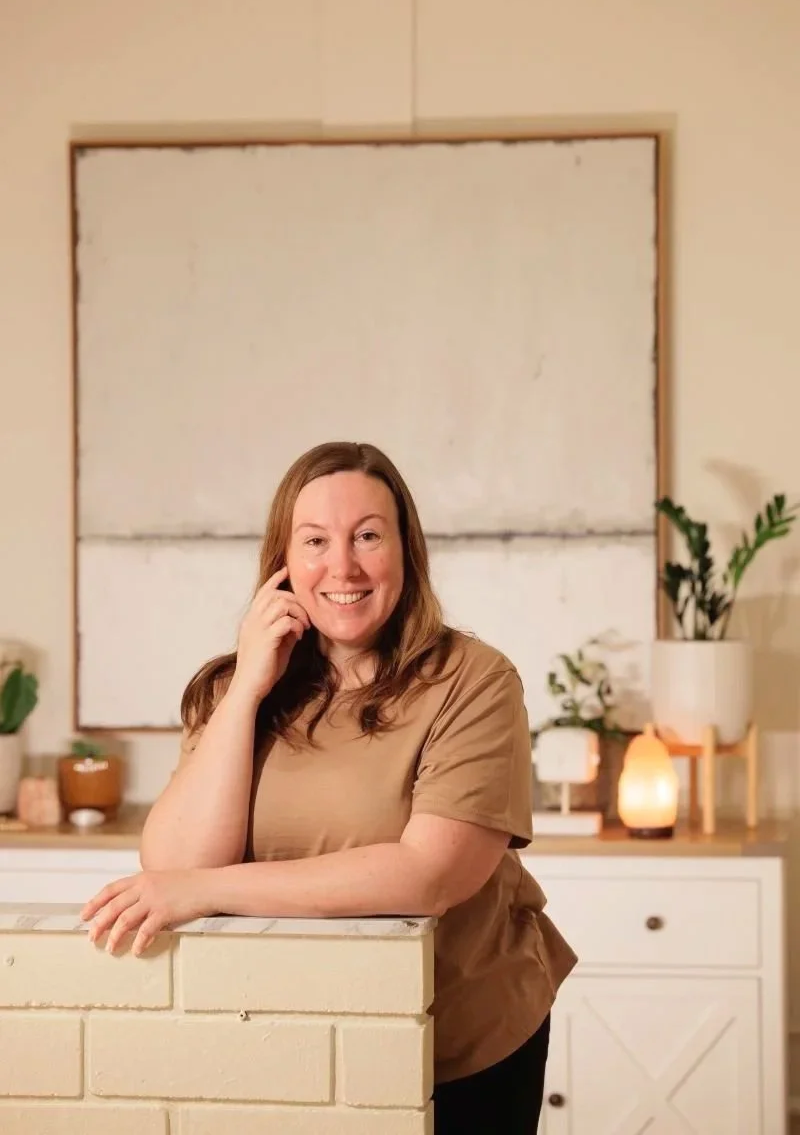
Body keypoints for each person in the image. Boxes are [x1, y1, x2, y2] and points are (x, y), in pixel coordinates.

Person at [81, 441, 577, 1133]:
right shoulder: (236, 689)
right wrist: (251, 683)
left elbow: (429, 875)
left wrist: (207, 892)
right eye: (315, 541)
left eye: (368, 536)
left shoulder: (475, 681)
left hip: (458, 1044)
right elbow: (174, 865)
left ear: (406, 550)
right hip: (294, 1034)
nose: (341, 566)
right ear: (283, 562)